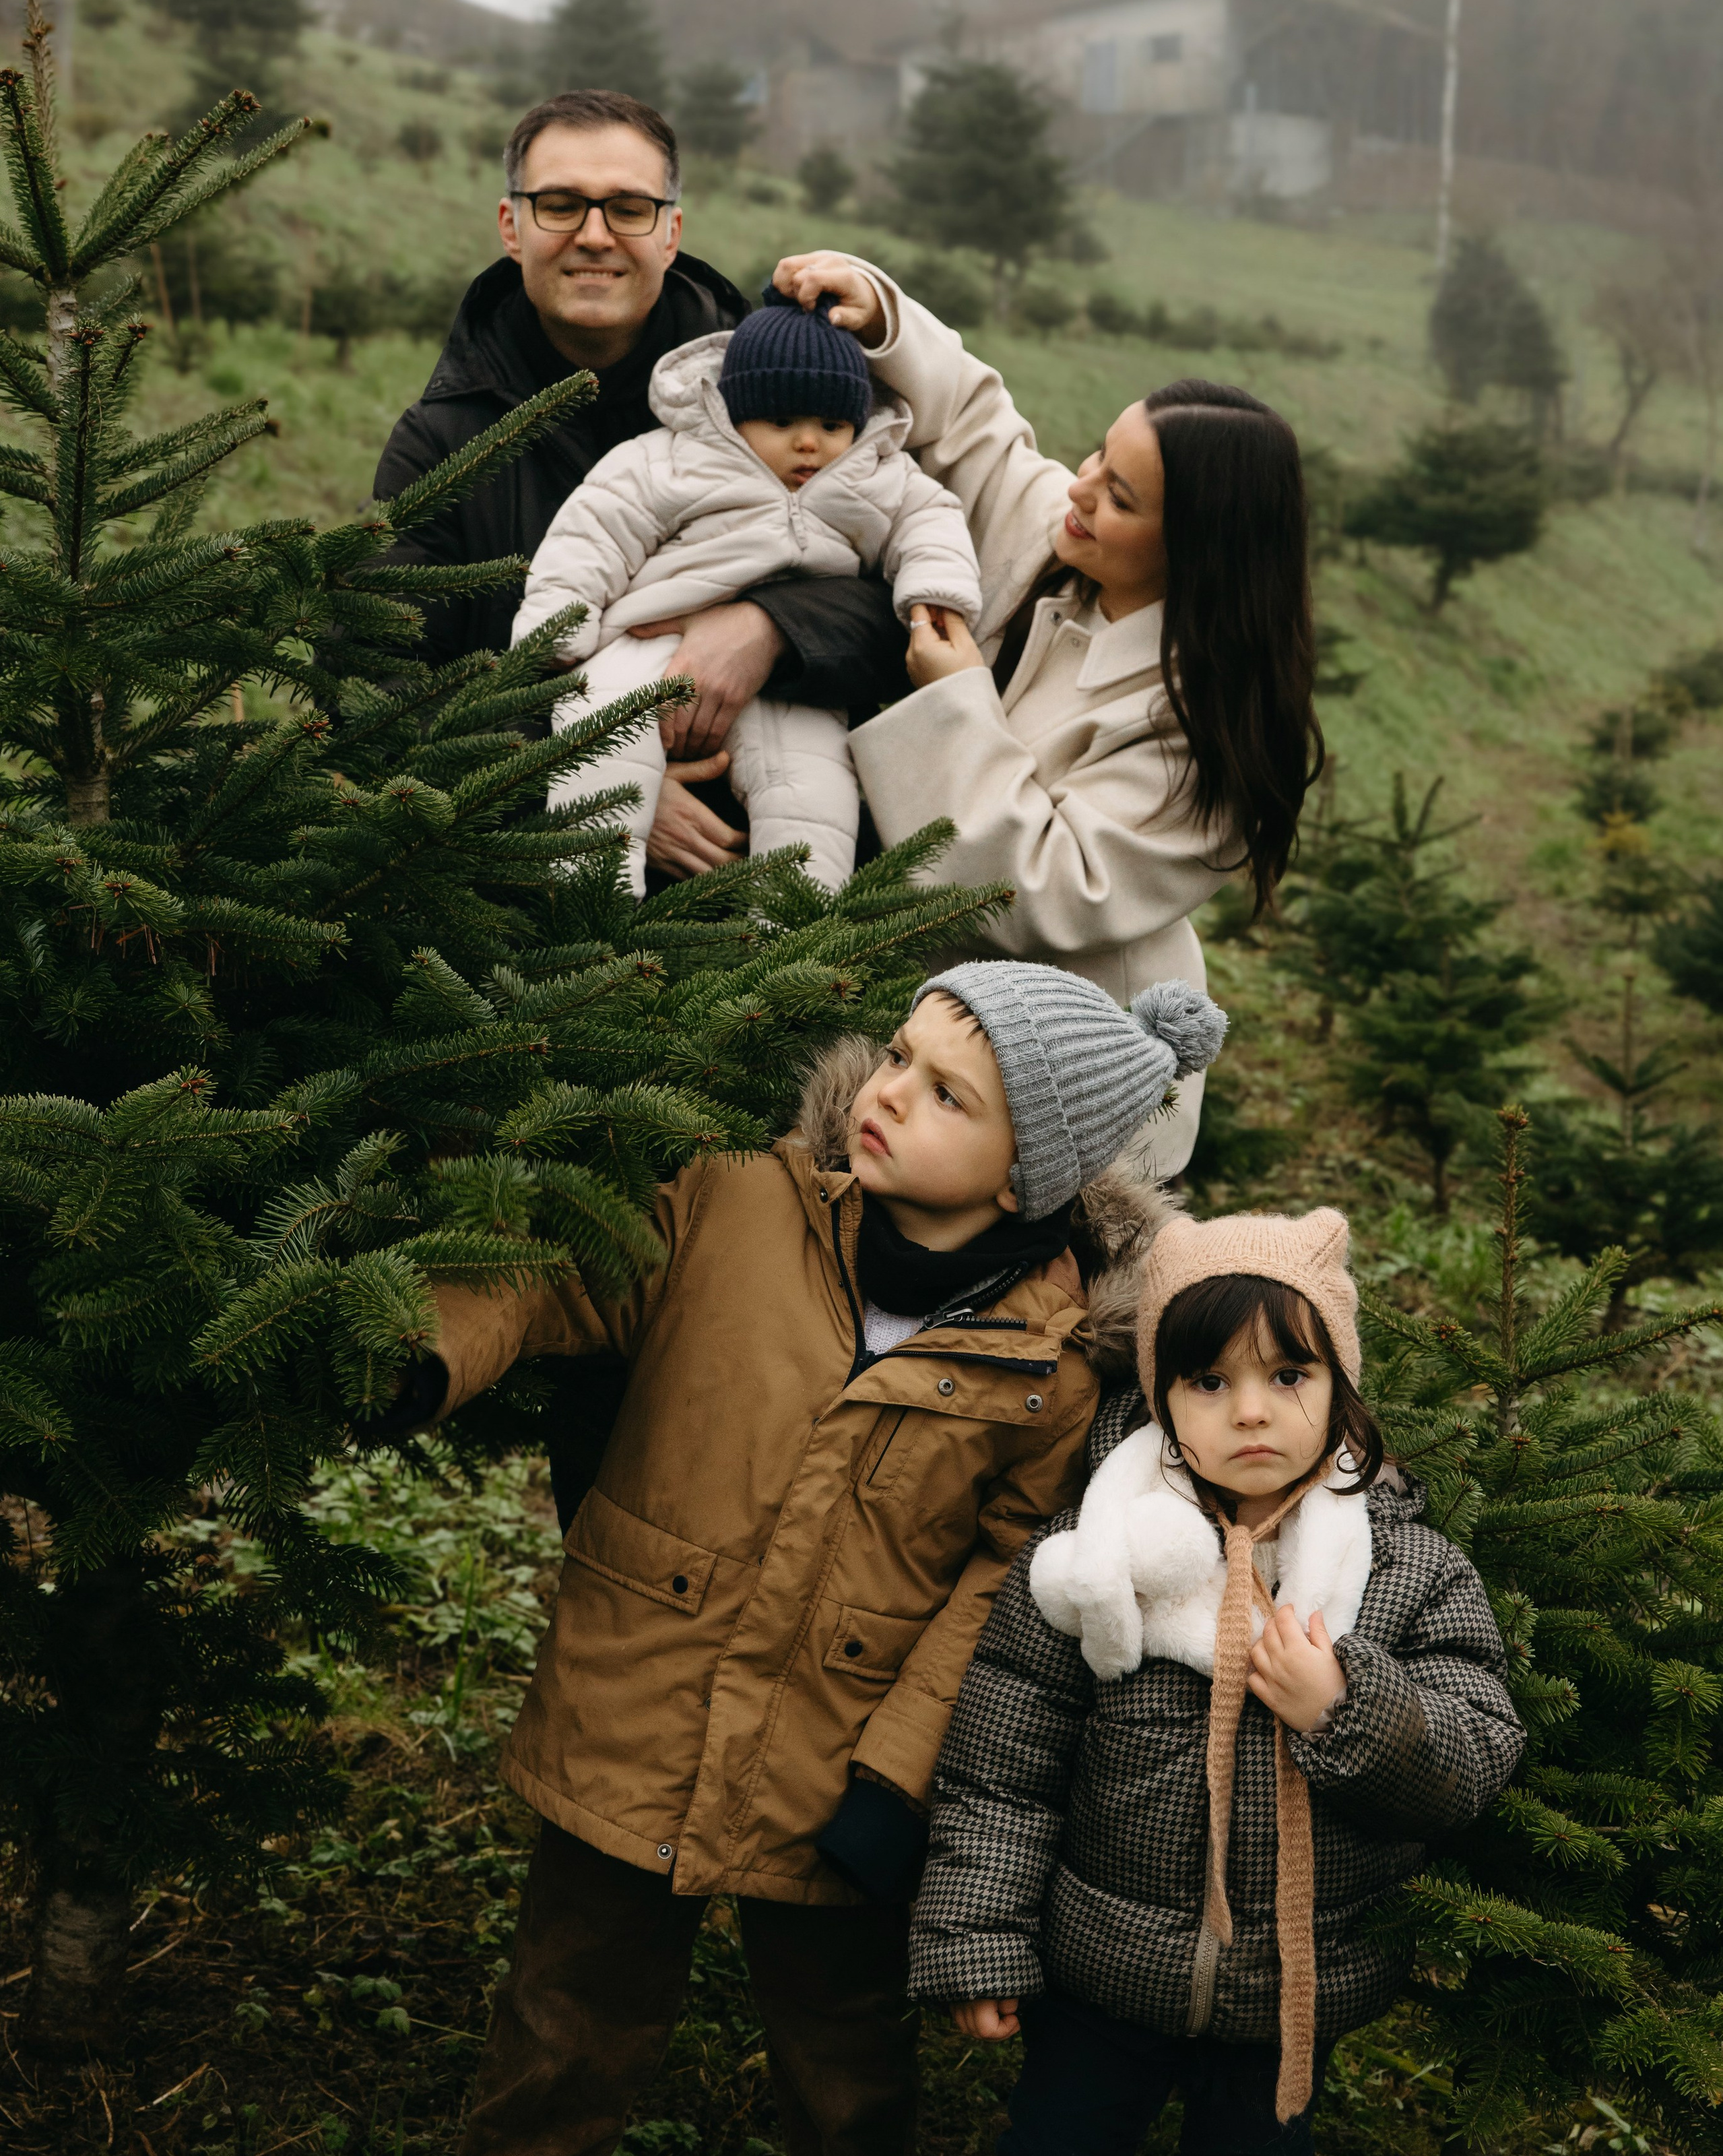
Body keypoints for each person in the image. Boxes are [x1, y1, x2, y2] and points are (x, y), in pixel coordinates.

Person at [402, 963, 1227, 2156]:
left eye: (947, 1094)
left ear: (1022, 1172)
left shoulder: (1049, 1366)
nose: (888, 1093)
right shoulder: (731, 1207)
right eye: (898, 1057)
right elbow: (553, 1272)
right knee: (562, 2017)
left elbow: (1000, 1588)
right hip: (638, 1702)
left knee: (843, 2054)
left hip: (841, 1759)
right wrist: (421, 1348)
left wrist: (898, 1780)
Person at [909, 1208, 1526, 2156]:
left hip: (1289, 1996)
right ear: (1161, 1399)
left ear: (1339, 1385)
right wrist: (975, 1940)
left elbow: (1473, 1754)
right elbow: (1003, 1770)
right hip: (1103, 1977)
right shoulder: (1092, 1562)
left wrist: (1346, 1710)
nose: (1250, 1410)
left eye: (1288, 1375)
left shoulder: (1409, 1571)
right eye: (1208, 1380)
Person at [765, 251, 1326, 1178]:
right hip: (931, 1051)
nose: (1081, 488)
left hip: (1062, 1103)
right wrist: (880, 317)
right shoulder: (1065, 546)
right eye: (1101, 455)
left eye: (1120, 496)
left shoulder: (1205, 733)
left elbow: (1042, 894)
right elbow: (979, 429)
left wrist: (952, 704)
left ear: (1196, 553)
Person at [372, 94, 909, 885]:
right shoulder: (442, 444)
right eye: (559, 204)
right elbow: (381, 685)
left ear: (670, 231)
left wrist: (769, 628)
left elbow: (906, 594)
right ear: (511, 225)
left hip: (778, 903)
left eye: (628, 207)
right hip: (533, 918)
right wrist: (591, 787)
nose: (594, 235)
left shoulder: (791, 393)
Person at [513, 286, 981, 893]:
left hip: (790, 677)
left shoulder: (876, 472)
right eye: (782, 422)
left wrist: (934, 592)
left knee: (814, 794)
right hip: (645, 640)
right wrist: (557, 625)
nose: (809, 442)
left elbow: (932, 520)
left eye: (832, 424)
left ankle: (790, 944)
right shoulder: (674, 459)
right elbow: (595, 528)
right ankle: (589, 904)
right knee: (601, 743)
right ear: (738, 413)